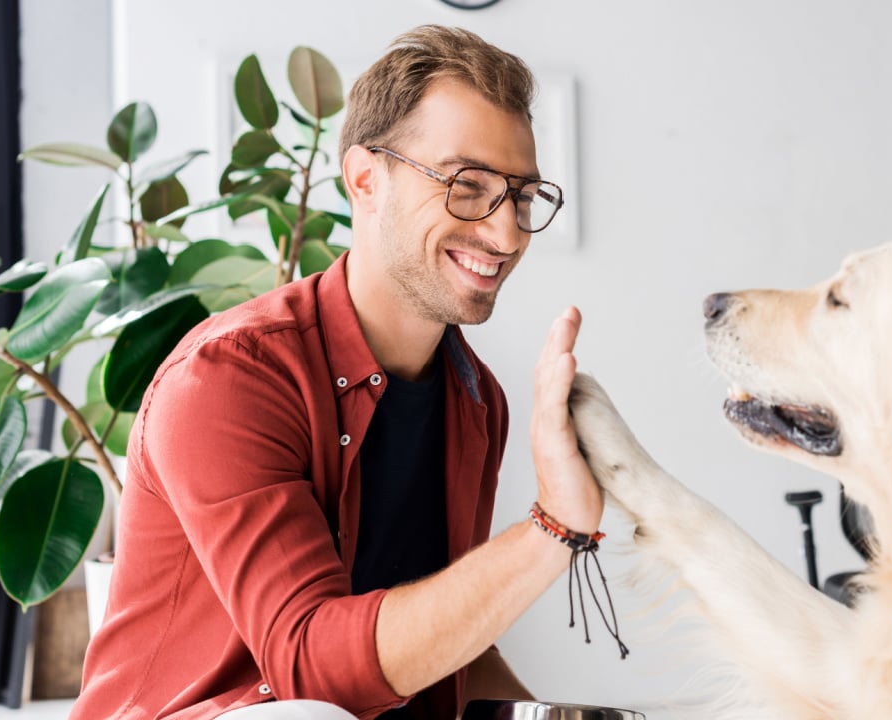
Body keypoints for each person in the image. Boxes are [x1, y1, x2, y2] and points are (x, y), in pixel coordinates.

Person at [72, 25, 603, 720]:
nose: (505, 236)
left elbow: (448, 647)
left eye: (523, 197)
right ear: (364, 179)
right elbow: (311, 671)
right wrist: (553, 529)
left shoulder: (477, 399)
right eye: (467, 186)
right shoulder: (229, 378)